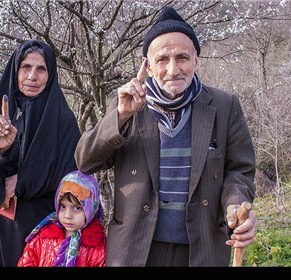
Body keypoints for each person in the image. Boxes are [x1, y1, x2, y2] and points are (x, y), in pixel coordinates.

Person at [75, 6, 257, 267]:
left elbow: (239, 170)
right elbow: (85, 161)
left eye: (182, 57)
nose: (173, 70)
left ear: (197, 61)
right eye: (162, 59)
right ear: (148, 66)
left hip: (201, 247)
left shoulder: (223, 105)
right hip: (136, 248)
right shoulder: (127, 103)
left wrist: (236, 205)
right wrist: (121, 116)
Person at [0, 39, 81, 267]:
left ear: (51, 75)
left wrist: (23, 181)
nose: (32, 76)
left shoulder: (63, 122)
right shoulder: (0, 115)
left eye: (41, 69)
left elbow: (71, 179)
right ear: (15, 71)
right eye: (26, 67)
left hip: (33, 232)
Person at [17, 170, 106, 267]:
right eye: (63, 206)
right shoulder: (44, 236)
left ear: (91, 208)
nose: (67, 215)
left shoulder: (97, 246)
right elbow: (27, 261)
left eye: (77, 208)